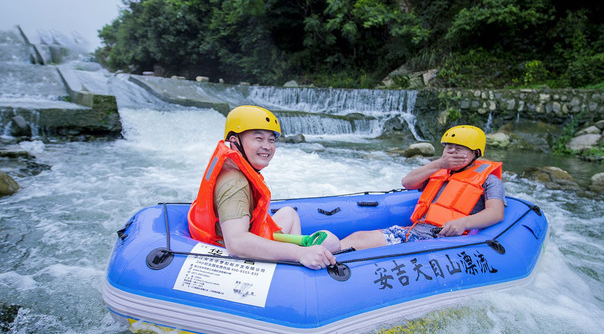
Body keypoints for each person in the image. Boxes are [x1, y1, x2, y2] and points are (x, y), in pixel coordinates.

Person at [188, 105, 339, 269]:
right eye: (258, 139)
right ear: (234, 141)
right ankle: (300, 262)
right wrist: (299, 254)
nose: (267, 146)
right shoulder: (234, 182)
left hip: (240, 235)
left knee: (289, 213)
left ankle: (296, 266)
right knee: (331, 242)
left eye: (271, 140)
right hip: (230, 254)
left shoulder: (234, 168)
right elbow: (236, 243)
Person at [340, 125, 506, 250]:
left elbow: (496, 213)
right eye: (449, 148)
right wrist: (439, 163)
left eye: (459, 149)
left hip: (444, 240)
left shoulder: (489, 180)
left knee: (360, 240)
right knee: (358, 237)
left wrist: (464, 222)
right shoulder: (439, 170)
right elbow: (407, 182)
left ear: (476, 153)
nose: (452, 153)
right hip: (416, 231)